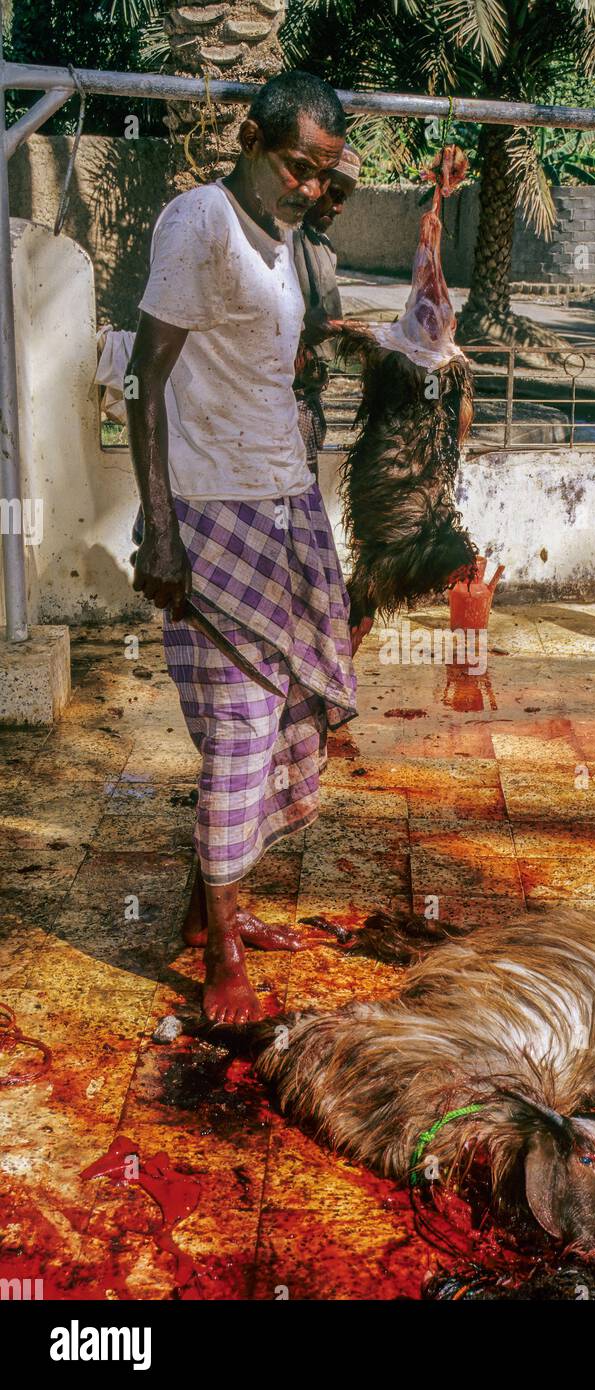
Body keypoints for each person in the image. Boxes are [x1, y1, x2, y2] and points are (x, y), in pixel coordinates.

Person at [127, 71, 369, 1026]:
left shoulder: (285, 243)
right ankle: (222, 950)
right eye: (294, 165)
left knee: (292, 714)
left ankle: (202, 910)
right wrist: (163, 532)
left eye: (322, 173)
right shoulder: (200, 222)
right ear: (248, 136)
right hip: (208, 509)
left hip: (285, 502)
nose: (307, 186)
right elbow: (146, 385)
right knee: (240, 730)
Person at [292, 143, 362, 477]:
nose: (338, 207)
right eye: (334, 194)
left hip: (308, 400)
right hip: (280, 405)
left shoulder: (321, 247)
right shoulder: (279, 239)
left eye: (344, 198)